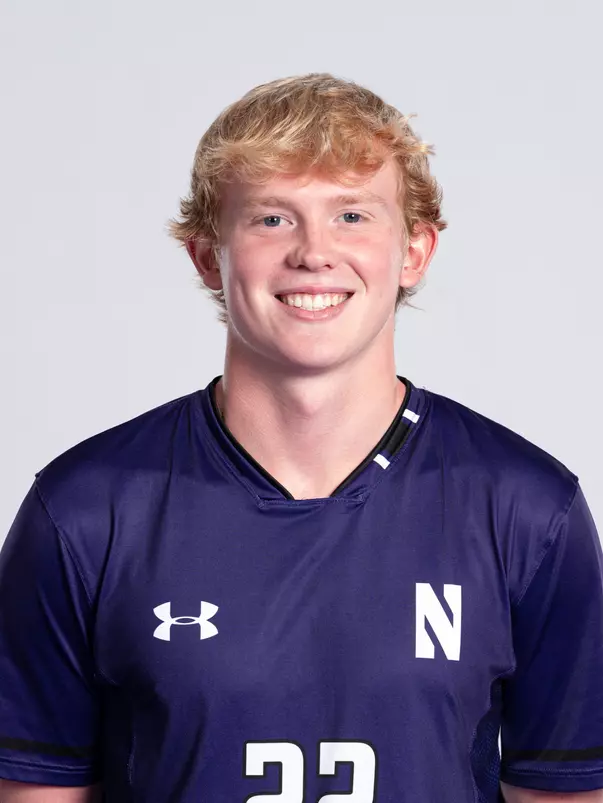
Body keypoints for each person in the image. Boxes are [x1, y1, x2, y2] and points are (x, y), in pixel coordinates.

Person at [0, 73, 601, 803]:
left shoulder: (528, 510)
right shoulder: (86, 510)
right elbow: (37, 792)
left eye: (351, 214)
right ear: (204, 255)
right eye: (271, 219)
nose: (314, 253)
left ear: (413, 251)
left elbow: (561, 791)